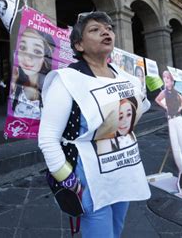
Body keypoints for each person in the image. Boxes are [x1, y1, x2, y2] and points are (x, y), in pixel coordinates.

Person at [39, 12, 151, 237]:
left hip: (124, 171)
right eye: (95, 29)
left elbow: (141, 108)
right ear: (79, 44)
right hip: (89, 178)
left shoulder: (127, 77)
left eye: (109, 28)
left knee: (116, 230)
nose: (106, 31)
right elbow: (47, 138)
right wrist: (67, 179)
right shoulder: (66, 80)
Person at [155, 70, 182, 192]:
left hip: (179, 120)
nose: (166, 80)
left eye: (168, 78)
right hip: (171, 121)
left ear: (172, 81)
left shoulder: (177, 94)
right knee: (176, 149)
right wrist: (165, 107)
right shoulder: (164, 93)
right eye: (164, 78)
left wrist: (181, 106)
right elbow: (157, 100)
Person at [11, 27, 55, 120]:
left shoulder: (52, 89)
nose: (27, 57)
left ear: (45, 58)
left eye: (37, 51)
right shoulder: (15, 86)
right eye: (22, 47)